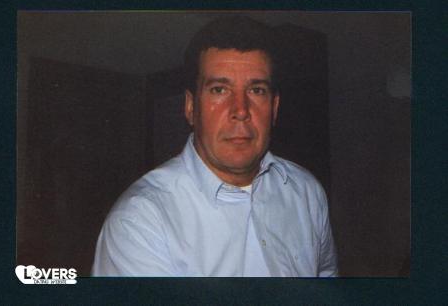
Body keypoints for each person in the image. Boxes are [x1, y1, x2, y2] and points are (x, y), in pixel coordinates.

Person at [92, 15, 338, 277]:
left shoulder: (306, 192)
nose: (240, 110)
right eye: (219, 90)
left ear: (274, 108)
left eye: (256, 90)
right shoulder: (140, 221)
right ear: (190, 107)